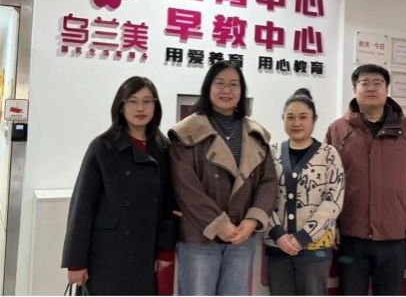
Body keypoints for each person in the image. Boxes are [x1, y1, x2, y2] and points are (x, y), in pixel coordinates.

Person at [168, 60, 278, 296]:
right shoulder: (186, 132)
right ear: (208, 87)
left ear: (242, 91)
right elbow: (186, 187)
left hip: (241, 236)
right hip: (200, 237)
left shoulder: (256, 134)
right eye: (219, 83)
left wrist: (253, 220)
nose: (226, 90)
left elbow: (268, 181)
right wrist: (219, 224)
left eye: (233, 84)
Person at [62, 76, 176, 295]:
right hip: (106, 252)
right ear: (121, 106)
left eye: (147, 101)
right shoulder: (103, 147)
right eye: (132, 101)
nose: (140, 108)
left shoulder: (163, 148)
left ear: (156, 106)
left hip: (146, 251)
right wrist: (76, 262)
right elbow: (82, 206)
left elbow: (168, 205)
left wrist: (165, 249)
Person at [325, 64, 406, 296]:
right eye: (364, 83)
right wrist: (331, 223)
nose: (371, 88)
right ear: (355, 89)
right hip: (351, 234)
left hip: (394, 235)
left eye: (378, 83)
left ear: (387, 89)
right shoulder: (337, 130)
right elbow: (328, 182)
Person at [264, 88, 344, 296]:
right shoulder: (272, 153)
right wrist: (278, 234)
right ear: (282, 119)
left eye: (303, 117)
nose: (296, 122)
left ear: (314, 119)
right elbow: (262, 196)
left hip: (315, 249)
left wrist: (303, 236)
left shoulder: (328, 154)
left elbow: (333, 200)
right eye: (290, 117)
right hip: (277, 247)